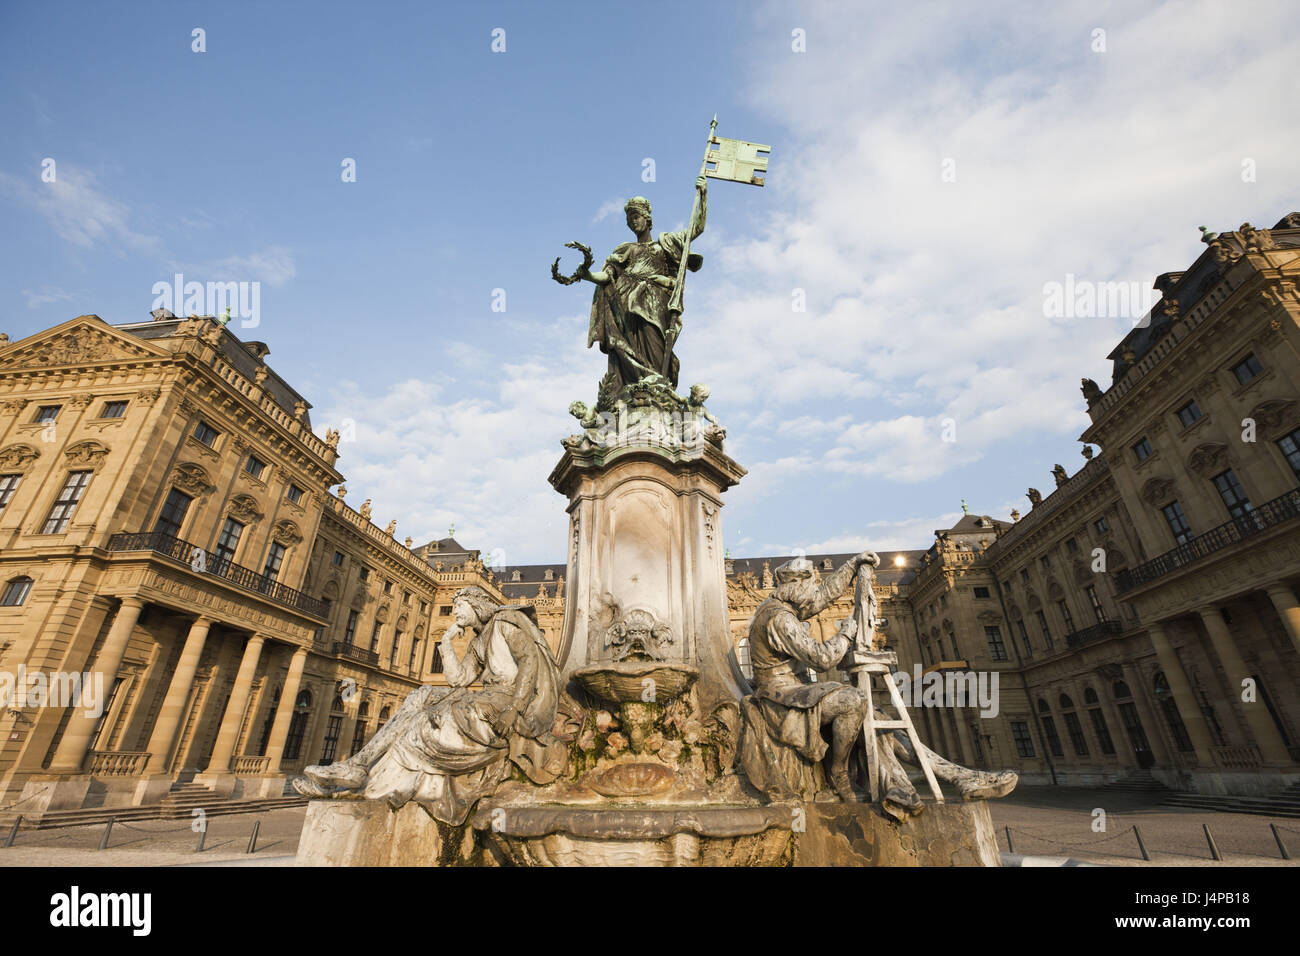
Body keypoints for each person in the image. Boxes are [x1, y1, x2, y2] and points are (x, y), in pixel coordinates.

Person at [739, 554, 1016, 821]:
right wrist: (847, 632)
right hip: (781, 697)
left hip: (798, 693)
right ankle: (839, 772)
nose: (814, 591)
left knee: (880, 720)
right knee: (854, 700)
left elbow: (822, 596)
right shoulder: (780, 619)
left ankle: (955, 778)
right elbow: (823, 659)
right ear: (795, 587)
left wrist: (852, 565)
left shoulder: (786, 606)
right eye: (810, 585)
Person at [292, 586, 565, 826]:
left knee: (422, 725)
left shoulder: (507, 619)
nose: (455, 614)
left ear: (475, 604)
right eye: (453, 608)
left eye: (459, 608)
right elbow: (459, 680)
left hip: (506, 700)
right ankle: (357, 766)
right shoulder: (477, 641)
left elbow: (529, 661)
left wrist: (514, 710)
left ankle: (361, 781)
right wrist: (445, 643)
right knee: (420, 694)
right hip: (487, 696)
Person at [576, 176, 707, 404]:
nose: (633, 222)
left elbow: (696, 229)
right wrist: (585, 274)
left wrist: (703, 195)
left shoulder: (664, 243)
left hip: (654, 305)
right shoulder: (626, 249)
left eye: (636, 217)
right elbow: (607, 277)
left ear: (647, 219)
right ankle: (635, 394)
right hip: (627, 309)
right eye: (629, 219)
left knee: (655, 345)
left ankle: (658, 389)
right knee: (628, 350)